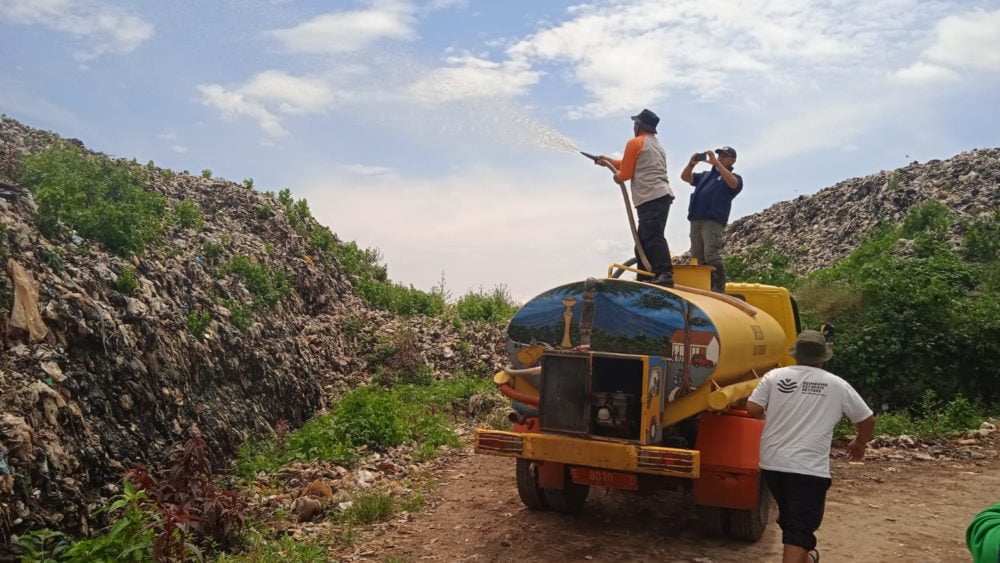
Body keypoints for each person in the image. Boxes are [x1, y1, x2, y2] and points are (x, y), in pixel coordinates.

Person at [746, 330, 876, 563]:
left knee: (792, 523)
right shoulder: (837, 385)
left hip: (773, 464)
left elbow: (753, 409)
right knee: (799, 530)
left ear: (796, 355)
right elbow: (867, 420)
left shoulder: (774, 377)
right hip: (808, 469)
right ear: (823, 358)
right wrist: (859, 442)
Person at [594, 109, 675, 286]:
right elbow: (626, 164)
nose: (633, 126)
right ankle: (646, 277)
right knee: (644, 240)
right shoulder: (654, 144)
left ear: (639, 125)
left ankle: (664, 274)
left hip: (651, 196)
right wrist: (607, 161)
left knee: (652, 236)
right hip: (660, 195)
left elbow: (624, 174)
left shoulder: (634, 143)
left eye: (635, 123)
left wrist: (616, 176)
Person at [680, 146, 742, 293]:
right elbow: (685, 178)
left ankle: (719, 288)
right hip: (696, 219)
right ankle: (704, 286)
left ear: (733, 160)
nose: (720, 157)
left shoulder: (734, 178)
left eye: (725, 156)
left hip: (712, 221)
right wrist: (691, 164)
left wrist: (717, 164)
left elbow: (733, 184)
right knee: (697, 255)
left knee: (711, 253)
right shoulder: (705, 176)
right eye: (719, 155)